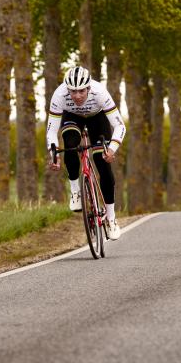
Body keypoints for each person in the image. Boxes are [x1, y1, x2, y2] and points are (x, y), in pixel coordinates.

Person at [46, 65, 126, 240]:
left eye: (81, 91)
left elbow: (120, 125)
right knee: (70, 144)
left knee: (102, 163)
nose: (77, 96)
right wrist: (54, 155)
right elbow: (51, 131)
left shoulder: (100, 93)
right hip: (72, 117)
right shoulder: (59, 95)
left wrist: (112, 148)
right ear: (67, 89)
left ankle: (111, 218)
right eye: (72, 91)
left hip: (98, 119)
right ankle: (75, 191)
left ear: (89, 87)